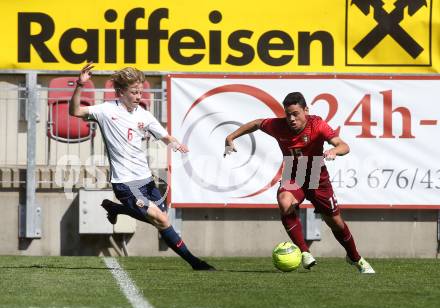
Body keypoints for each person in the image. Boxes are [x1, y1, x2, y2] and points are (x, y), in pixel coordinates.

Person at [69, 62, 215, 271]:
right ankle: (196, 263)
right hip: (125, 182)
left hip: (145, 179)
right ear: (120, 92)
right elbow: (74, 111)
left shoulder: (143, 114)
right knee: (161, 219)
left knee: (160, 219)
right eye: (134, 92)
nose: (139, 96)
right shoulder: (105, 110)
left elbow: (164, 136)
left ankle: (116, 208)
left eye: (140, 91)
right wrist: (80, 85)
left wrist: (176, 145)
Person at [224, 92, 374, 274]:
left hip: (317, 176)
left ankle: (355, 258)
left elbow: (344, 145)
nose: (292, 119)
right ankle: (304, 252)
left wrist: (335, 151)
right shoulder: (277, 126)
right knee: (285, 202)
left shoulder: (317, 125)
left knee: (335, 222)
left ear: (306, 110)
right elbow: (256, 123)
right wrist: (230, 137)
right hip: (295, 173)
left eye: (296, 113)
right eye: (288, 114)